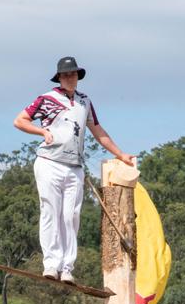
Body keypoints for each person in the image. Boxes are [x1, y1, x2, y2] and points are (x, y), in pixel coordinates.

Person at [14, 55, 136, 284]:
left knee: (71, 216)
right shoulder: (47, 98)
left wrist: (120, 154)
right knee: (51, 210)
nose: (70, 77)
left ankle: (67, 267)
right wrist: (42, 132)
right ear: (59, 77)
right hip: (49, 161)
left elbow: (97, 129)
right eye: (66, 74)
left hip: (74, 166)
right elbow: (20, 120)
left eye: (73, 74)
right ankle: (51, 264)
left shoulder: (84, 101)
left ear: (78, 76)